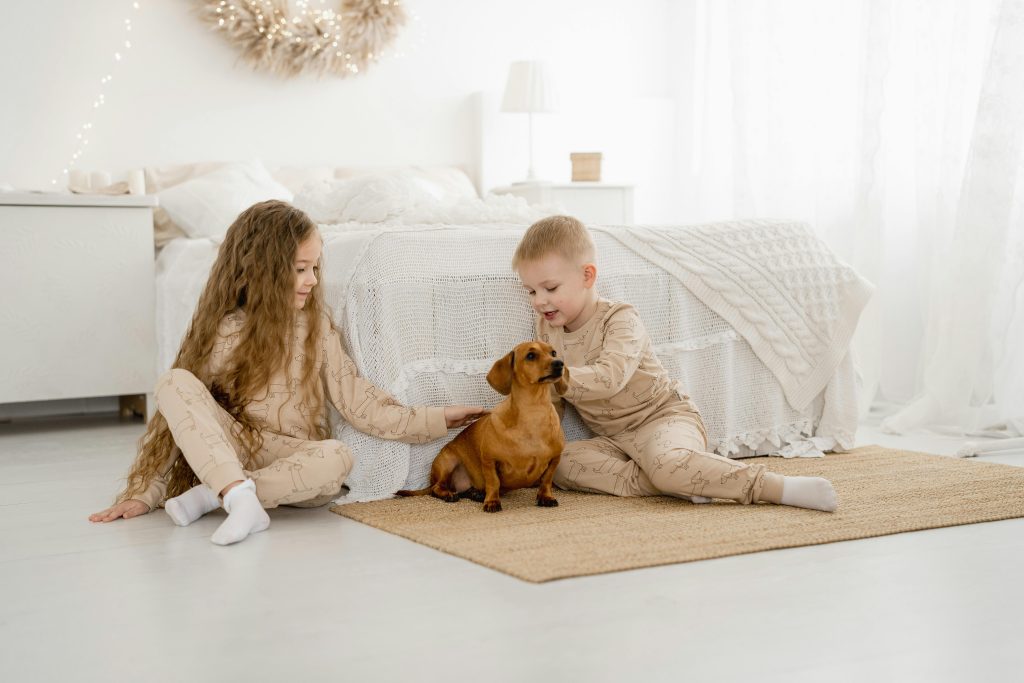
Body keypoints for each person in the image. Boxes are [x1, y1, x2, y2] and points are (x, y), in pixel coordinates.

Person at [89, 200, 484, 544]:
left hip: (293, 458)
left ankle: (224, 495)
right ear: (261, 271)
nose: (313, 280)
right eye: (300, 269)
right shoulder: (223, 329)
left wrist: (434, 418)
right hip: (235, 443)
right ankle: (235, 493)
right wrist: (145, 491)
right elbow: (182, 419)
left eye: (314, 267)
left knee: (337, 457)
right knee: (174, 382)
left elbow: (358, 401)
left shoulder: (317, 329)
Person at [511, 215, 837, 511]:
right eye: (531, 292)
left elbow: (610, 376)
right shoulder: (546, 331)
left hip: (663, 418)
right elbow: (550, 400)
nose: (539, 301)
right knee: (562, 462)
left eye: (550, 288)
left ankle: (777, 487)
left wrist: (553, 375)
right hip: (616, 439)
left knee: (667, 464)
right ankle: (681, 481)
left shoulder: (620, 318)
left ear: (587, 275)